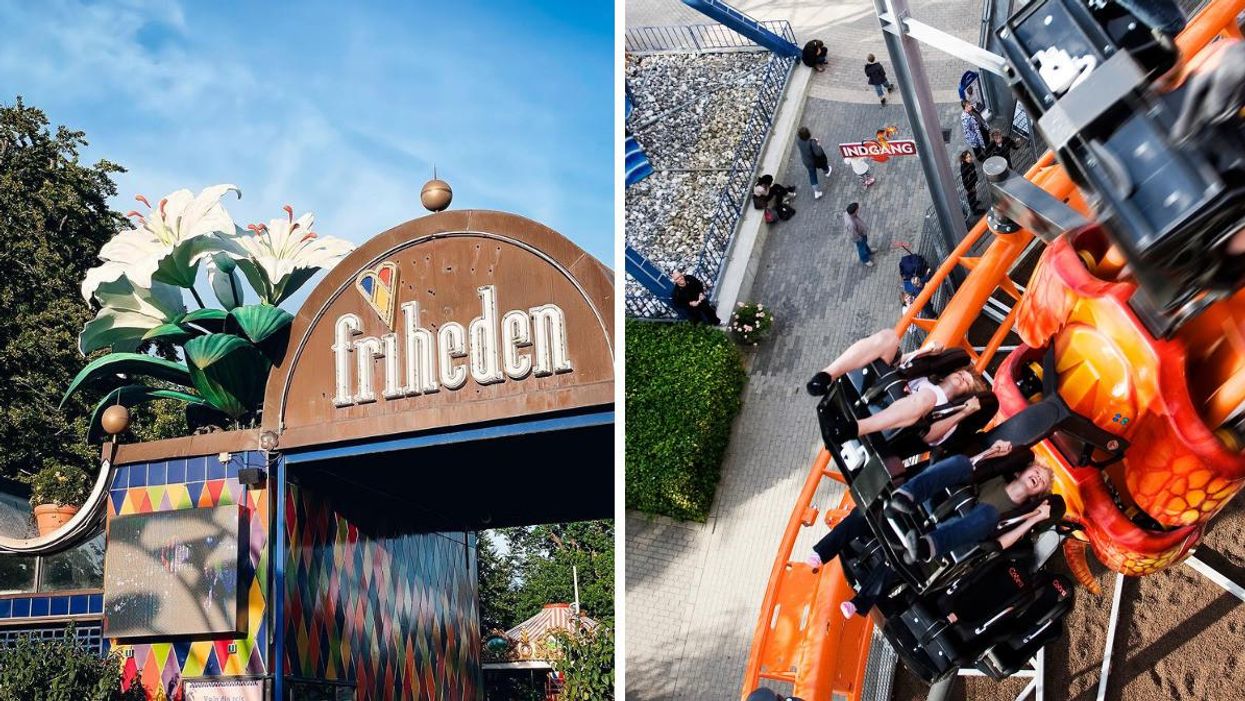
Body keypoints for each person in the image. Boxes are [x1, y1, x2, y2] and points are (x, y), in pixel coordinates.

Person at [806, 329, 991, 444]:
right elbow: (900, 364)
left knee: (928, 397)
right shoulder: (925, 377)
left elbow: (930, 437)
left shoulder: (949, 410)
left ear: (964, 394)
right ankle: (825, 376)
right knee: (890, 337)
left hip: (894, 421)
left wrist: (964, 412)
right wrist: (923, 351)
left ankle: (852, 428)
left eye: (967, 383)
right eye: (961, 374)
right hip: (879, 387)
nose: (962, 378)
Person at [889, 442, 1055, 563]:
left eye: (1042, 481)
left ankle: (926, 547)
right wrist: (992, 451)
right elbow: (971, 466)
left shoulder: (1021, 515)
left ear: (1037, 494)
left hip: (964, 529)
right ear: (1019, 473)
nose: (1038, 477)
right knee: (962, 462)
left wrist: (1034, 518)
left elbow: (999, 544)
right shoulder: (996, 476)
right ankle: (904, 496)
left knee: (989, 514)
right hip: (945, 499)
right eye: (1037, 471)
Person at [796, 127, 831, 199]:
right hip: (814, 160)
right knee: (822, 163)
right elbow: (819, 153)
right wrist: (817, 143)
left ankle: (816, 192)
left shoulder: (798, 141)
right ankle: (827, 171)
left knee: (812, 175)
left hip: (806, 161)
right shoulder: (812, 142)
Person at [842, 202, 877, 268]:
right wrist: (860, 238)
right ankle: (865, 260)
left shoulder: (848, 213)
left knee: (864, 244)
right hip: (859, 237)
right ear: (854, 212)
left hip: (861, 233)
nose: (858, 210)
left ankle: (869, 251)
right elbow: (853, 234)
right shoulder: (851, 224)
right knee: (861, 248)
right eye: (857, 209)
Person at [959, 150, 983, 215]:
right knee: (971, 196)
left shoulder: (970, 163)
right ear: (964, 159)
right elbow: (965, 180)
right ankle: (974, 210)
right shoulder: (964, 168)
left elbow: (974, 172)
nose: (969, 158)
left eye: (969, 156)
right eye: (967, 157)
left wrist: (976, 180)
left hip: (972, 183)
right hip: (969, 185)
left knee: (974, 194)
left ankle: (974, 203)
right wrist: (970, 188)